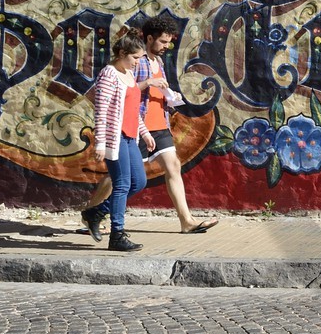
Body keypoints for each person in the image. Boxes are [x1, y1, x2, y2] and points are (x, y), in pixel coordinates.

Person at [78, 15, 217, 238]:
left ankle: (186, 221)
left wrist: (169, 99)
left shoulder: (157, 62)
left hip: (158, 124)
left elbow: (150, 91)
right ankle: (92, 214)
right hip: (136, 124)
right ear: (149, 38)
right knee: (119, 178)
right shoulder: (135, 61)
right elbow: (125, 92)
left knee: (173, 166)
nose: (165, 47)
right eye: (162, 42)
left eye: (168, 42)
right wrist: (148, 83)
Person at [85, 32, 146, 253]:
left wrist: (145, 133)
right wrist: (100, 143)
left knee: (138, 182)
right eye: (135, 57)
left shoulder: (129, 74)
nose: (138, 62)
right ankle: (117, 235)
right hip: (115, 137)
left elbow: (132, 110)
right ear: (122, 54)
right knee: (121, 185)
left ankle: (96, 212)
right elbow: (101, 112)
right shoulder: (108, 75)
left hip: (130, 137)